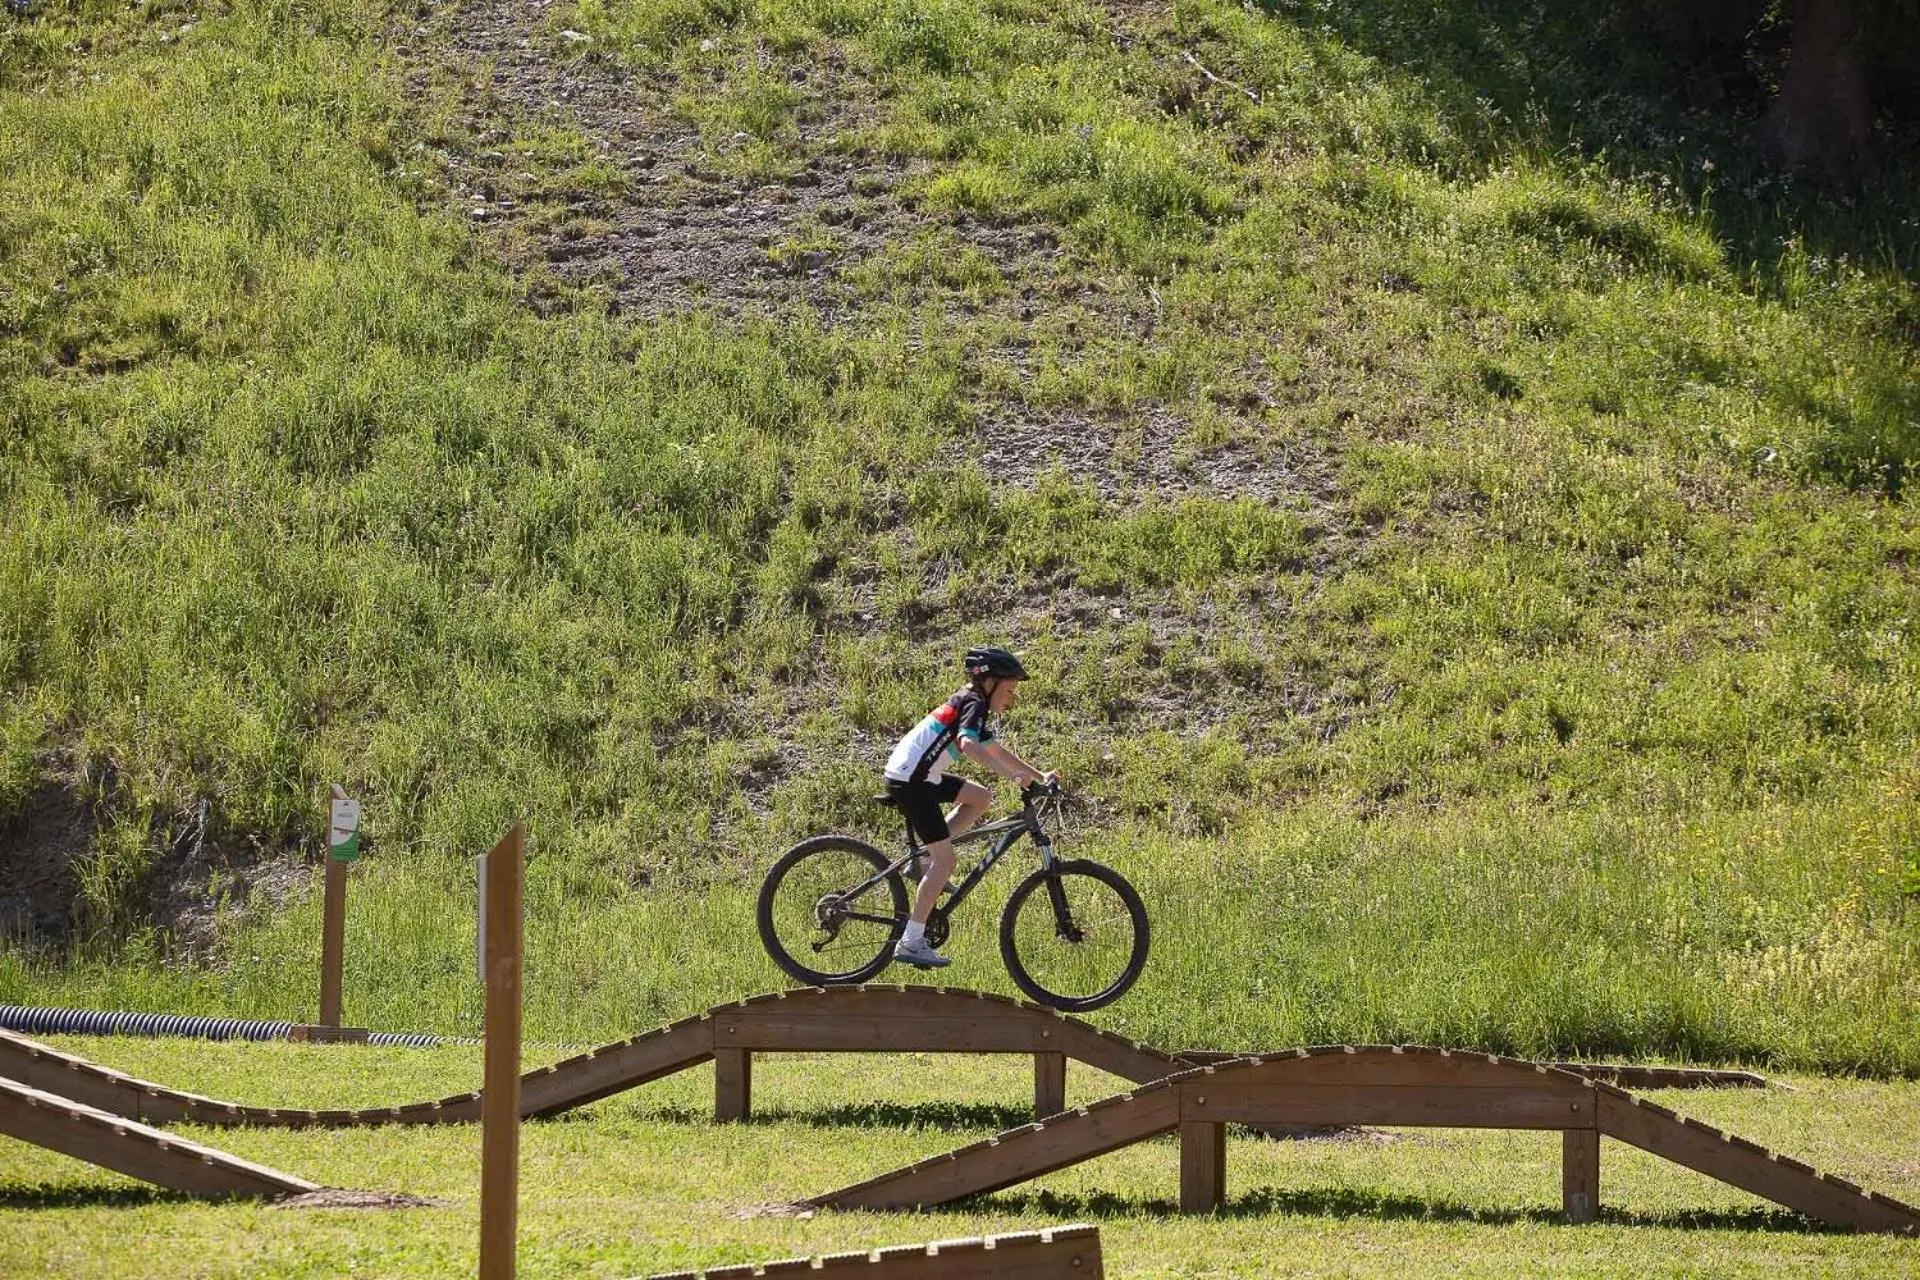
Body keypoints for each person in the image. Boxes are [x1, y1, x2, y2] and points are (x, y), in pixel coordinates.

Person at [882, 645, 1057, 969]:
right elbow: (969, 745)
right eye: (1010, 688)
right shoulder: (973, 702)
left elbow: (994, 748)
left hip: (917, 775)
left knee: (981, 798)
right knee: (946, 861)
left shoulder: (972, 703)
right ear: (990, 683)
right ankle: (911, 942)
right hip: (912, 781)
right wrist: (1012, 777)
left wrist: (1037, 775)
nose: (1013, 696)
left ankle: (920, 861)